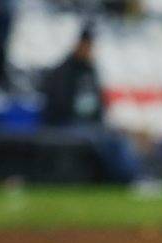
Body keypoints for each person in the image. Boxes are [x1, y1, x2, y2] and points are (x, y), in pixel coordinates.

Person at [41, 24, 140, 185]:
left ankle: (130, 177)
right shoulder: (62, 72)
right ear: (79, 45)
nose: (90, 50)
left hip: (90, 125)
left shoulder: (91, 71)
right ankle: (122, 179)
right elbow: (58, 106)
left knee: (118, 138)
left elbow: (99, 104)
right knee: (102, 139)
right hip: (66, 123)